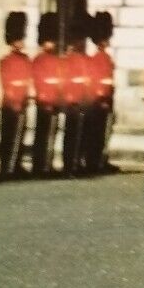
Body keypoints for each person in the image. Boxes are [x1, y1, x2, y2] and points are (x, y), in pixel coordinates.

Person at [0, 11, 32, 179]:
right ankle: (8, 166)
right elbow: (7, 83)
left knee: (19, 134)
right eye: (18, 38)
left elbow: (26, 81)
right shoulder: (6, 61)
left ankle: (15, 164)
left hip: (22, 102)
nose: (21, 41)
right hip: (10, 104)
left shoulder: (25, 60)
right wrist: (13, 100)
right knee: (9, 135)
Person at [30, 12, 65, 177]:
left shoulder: (57, 60)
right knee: (42, 134)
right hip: (44, 102)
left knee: (52, 134)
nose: (51, 44)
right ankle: (40, 165)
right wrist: (44, 98)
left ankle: (47, 164)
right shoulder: (39, 60)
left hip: (55, 101)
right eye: (48, 40)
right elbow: (39, 81)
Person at [61, 15, 95, 177]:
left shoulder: (86, 59)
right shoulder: (68, 60)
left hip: (84, 103)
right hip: (73, 103)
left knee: (83, 137)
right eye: (79, 39)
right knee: (72, 137)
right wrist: (71, 100)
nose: (81, 42)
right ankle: (69, 166)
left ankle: (78, 163)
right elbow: (65, 81)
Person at [85, 11, 117, 175]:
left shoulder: (104, 58)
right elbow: (99, 82)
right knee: (98, 134)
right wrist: (103, 98)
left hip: (105, 99)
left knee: (103, 132)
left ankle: (100, 160)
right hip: (100, 101)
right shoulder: (99, 59)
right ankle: (95, 161)